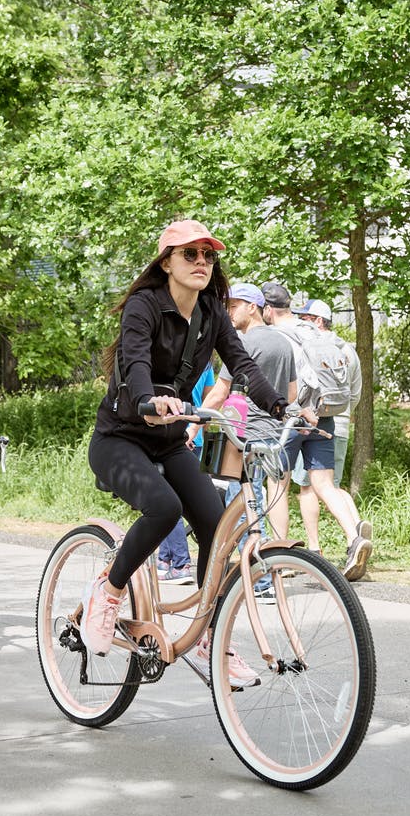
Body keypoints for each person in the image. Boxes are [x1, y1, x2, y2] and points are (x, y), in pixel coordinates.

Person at [80, 219, 314, 689]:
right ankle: (107, 594)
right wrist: (150, 400)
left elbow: (241, 363)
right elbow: (136, 360)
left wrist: (281, 405)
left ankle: (208, 635)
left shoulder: (210, 311)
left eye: (208, 256)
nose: (201, 262)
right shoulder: (145, 306)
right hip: (121, 438)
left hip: (170, 439)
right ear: (166, 262)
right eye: (190, 254)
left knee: (216, 526)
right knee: (163, 507)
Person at [259, 281, 373, 580]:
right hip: (324, 416)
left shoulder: (277, 336)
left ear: (268, 310)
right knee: (324, 485)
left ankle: (279, 558)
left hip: (292, 417)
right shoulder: (314, 332)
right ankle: (353, 537)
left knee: (278, 484)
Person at [199, 282, 301, 603]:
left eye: (234, 306)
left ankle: (259, 581)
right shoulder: (284, 344)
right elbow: (293, 395)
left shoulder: (240, 344)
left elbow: (219, 392)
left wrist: (194, 423)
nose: (229, 313)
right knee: (260, 505)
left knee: (244, 509)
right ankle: (264, 572)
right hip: (274, 436)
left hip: (245, 437)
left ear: (253, 307)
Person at [290, 299, 365, 567]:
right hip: (339, 423)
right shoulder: (348, 351)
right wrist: (340, 413)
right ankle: (356, 531)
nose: (301, 322)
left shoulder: (308, 347)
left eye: (306, 318)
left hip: (312, 420)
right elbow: (354, 395)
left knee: (308, 487)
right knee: (330, 485)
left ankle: (314, 548)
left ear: (319, 321)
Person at [154, 362, 218, 584]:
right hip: (196, 434)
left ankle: (181, 562)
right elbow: (210, 400)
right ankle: (165, 559)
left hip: (179, 435)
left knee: (172, 501)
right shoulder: (206, 364)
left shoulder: (175, 360)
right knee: (184, 501)